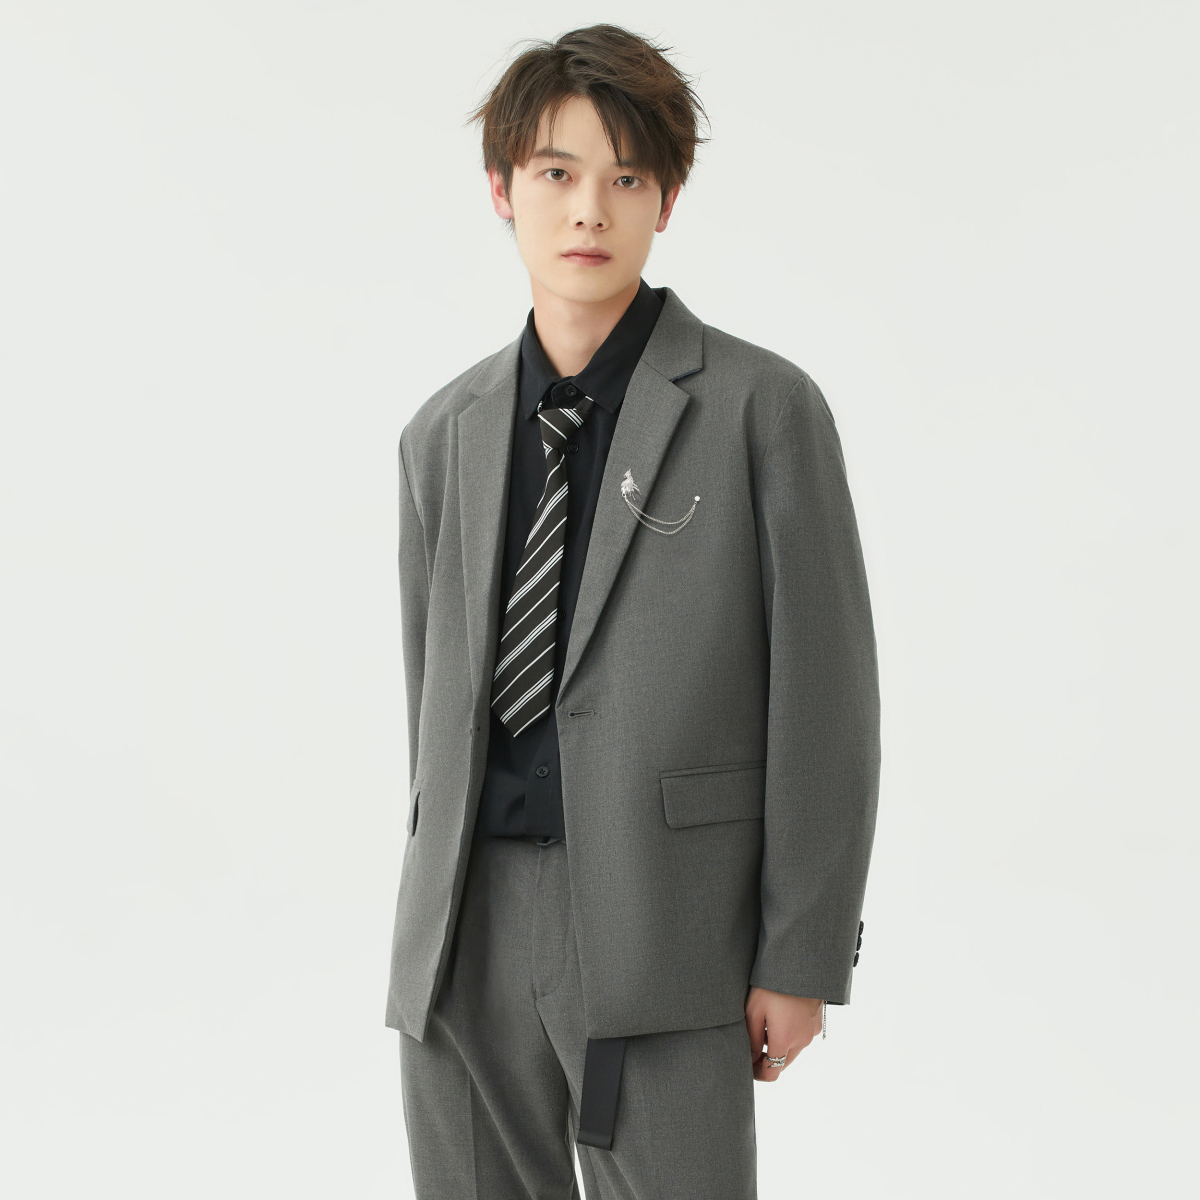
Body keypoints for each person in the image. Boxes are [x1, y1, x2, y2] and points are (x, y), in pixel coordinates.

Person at [386, 23, 880, 1200]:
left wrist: (801, 950)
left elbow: (828, 702)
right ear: (501, 189)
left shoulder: (761, 409)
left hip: (667, 926)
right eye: (556, 173)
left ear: (668, 198)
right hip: (462, 930)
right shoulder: (442, 435)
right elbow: (431, 698)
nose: (588, 211)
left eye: (625, 179)